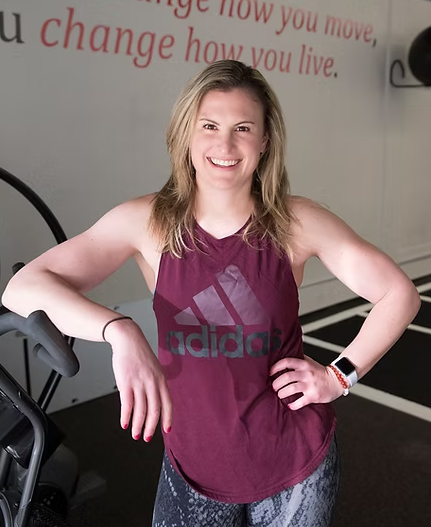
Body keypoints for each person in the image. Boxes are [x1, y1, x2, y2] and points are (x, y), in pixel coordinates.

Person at [2, 60, 421, 527]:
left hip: (295, 466)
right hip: (192, 465)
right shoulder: (145, 222)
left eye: (243, 128)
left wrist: (338, 376)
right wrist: (118, 330)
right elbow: (23, 288)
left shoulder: (297, 222)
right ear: (187, 134)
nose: (225, 144)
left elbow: (399, 294)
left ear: (264, 142)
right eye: (210, 126)